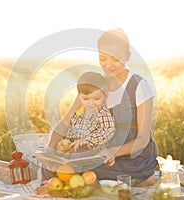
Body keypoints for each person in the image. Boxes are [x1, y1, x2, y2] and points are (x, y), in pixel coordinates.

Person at [47, 28, 158, 186]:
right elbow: (69, 117)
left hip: (132, 156)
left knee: (87, 173)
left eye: (115, 59)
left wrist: (114, 152)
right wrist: (51, 148)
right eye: (103, 58)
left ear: (127, 56)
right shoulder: (95, 84)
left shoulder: (139, 86)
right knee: (61, 168)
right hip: (102, 150)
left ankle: (143, 178)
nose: (108, 65)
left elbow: (142, 139)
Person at [63, 71, 115, 152]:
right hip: (80, 149)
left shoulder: (103, 113)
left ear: (104, 96)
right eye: (86, 99)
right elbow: (75, 128)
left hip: (95, 152)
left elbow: (108, 131)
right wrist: (66, 139)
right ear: (79, 96)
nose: (91, 103)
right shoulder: (84, 113)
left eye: (96, 98)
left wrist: (86, 140)